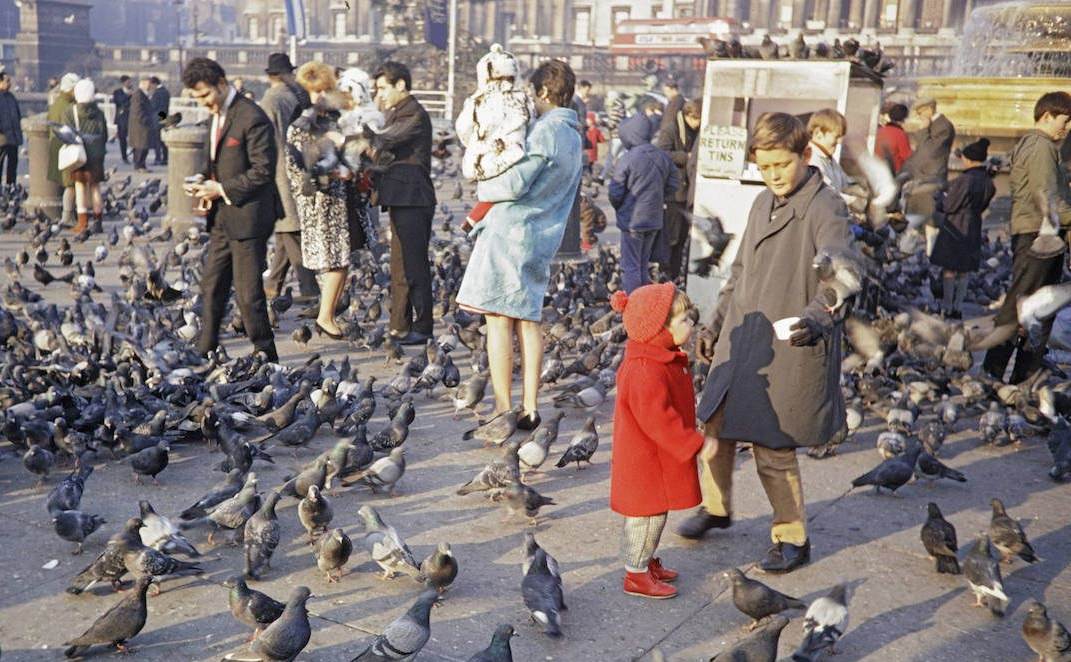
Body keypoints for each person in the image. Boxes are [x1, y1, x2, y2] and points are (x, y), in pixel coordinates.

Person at [678, 112, 852, 574]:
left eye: (781, 164)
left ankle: (793, 536)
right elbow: (738, 273)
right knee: (713, 424)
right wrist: (714, 325)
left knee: (773, 448)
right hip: (743, 333)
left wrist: (819, 316)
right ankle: (717, 507)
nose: (773, 175)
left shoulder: (825, 207)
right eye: (765, 166)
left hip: (789, 340)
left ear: (805, 154)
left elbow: (842, 274)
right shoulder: (761, 203)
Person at [455, 59, 583, 431]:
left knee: (497, 321)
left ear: (543, 92)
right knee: (529, 320)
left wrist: (482, 183)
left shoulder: (546, 132)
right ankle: (530, 406)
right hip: (545, 235)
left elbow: (514, 185)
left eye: (533, 92)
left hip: (513, 232)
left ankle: (502, 407)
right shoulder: (574, 135)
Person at [609, 282, 707, 600]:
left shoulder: (656, 360)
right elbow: (659, 420)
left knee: (654, 514)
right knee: (646, 518)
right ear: (659, 330)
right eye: (684, 321)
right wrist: (692, 442)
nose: (691, 325)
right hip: (646, 461)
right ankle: (636, 574)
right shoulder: (645, 370)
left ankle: (646, 561)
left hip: (652, 459)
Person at [184, 57, 280, 362]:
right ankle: (205, 349)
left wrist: (221, 189)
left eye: (205, 95)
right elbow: (213, 160)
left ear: (222, 84)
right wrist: (201, 179)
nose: (203, 103)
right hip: (223, 215)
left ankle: (267, 356)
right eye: (196, 98)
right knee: (211, 285)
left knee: (248, 293)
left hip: (251, 216)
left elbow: (264, 170)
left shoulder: (252, 117)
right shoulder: (218, 114)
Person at [982, 92, 1071, 384]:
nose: (1067, 128)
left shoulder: (1034, 145)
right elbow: (1048, 197)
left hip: (1035, 234)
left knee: (1031, 308)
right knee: (1028, 309)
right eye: (1065, 120)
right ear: (1046, 116)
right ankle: (1000, 376)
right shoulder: (1042, 147)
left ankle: (1014, 377)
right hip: (1039, 237)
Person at [370, 61, 436, 345]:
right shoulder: (397, 112)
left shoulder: (414, 114)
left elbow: (384, 141)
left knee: (414, 264)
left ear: (401, 85)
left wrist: (364, 121)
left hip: (414, 197)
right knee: (399, 265)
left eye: (383, 88)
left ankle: (422, 326)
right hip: (401, 197)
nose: (380, 94)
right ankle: (400, 325)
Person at [284, 62, 352, 339]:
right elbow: (301, 168)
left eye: (325, 90)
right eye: (316, 91)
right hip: (318, 201)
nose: (321, 96)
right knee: (336, 260)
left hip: (333, 199)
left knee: (335, 261)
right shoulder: (302, 124)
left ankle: (327, 312)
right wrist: (333, 152)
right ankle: (325, 316)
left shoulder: (330, 118)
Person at [455, 43, 534, 232]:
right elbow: (532, 128)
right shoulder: (522, 99)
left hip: (482, 162)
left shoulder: (476, 100)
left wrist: (477, 144)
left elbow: (463, 129)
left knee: (491, 198)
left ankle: (476, 219)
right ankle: (477, 218)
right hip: (515, 160)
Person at [260, 53, 318, 304]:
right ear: (283, 74)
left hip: (280, 168)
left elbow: (267, 140)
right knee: (287, 230)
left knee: (290, 229)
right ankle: (274, 285)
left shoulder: (270, 99)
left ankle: (309, 287)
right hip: (295, 165)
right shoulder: (292, 96)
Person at [609, 111, 678, 293]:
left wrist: (621, 207)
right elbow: (674, 184)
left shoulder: (628, 158)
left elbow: (615, 191)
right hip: (654, 219)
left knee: (630, 266)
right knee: (642, 264)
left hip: (633, 220)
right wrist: (657, 198)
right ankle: (644, 303)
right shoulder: (662, 156)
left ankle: (634, 307)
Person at [930, 138, 996, 319]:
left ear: (969, 159)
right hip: (974, 224)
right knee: (964, 270)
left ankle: (947, 307)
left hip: (956, 225)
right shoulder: (988, 182)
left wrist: (940, 199)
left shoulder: (964, 180)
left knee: (950, 269)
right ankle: (958, 307)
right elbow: (983, 206)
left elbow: (950, 206)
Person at [654, 99, 701, 282]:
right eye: (697, 119)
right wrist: (686, 157)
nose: (699, 124)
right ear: (689, 116)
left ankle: (673, 275)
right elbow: (661, 153)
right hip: (673, 193)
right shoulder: (671, 130)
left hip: (686, 192)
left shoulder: (695, 131)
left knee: (681, 238)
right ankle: (667, 274)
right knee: (671, 238)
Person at [902, 98, 955, 254]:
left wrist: (924, 129)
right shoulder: (935, 125)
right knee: (915, 218)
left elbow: (929, 151)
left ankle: (931, 253)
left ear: (929, 109)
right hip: (922, 180)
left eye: (920, 113)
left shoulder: (944, 126)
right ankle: (910, 250)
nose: (919, 117)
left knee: (930, 221)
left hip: (932, 180)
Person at [64, 79, 107, 235]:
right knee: (96, 187)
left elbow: (66, 134)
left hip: (79, 155)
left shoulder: (71, 111)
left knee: (80, 187)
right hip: (97, 155)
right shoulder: (100, 113)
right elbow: (105, 135)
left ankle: (82, 223)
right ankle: (98, 221)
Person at [807, 108, 862, 209]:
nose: (840, 142)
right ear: (818, 134)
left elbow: (845, 184)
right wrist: (855, 201)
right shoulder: (812, 160)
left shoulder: (828, 159)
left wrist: (862, 188)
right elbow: (827, 194)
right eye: (837, 137)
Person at [47, 73, 79, 225]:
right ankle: (68, 216)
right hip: (66, 149)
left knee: (65, 183)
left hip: (57, 146)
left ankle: (66, 214)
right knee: (70, 184)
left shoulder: (58, 103)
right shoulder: (68, 107)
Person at [874, 102, 911, 175]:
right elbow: (907, 156)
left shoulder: (879, 131)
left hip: (877, 170)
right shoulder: (900, 134)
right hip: (894, 172)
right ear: (904, 119)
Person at [0, 72, 22, 187]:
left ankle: (11, 186)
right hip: (2, 138)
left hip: (13, 138)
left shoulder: (12, 97)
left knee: (13, 164)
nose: (9, 83)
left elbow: (17, 116)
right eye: (7, 80)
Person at [128, 77, 154, 172]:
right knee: (140, 147)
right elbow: (138, 111)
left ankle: (142, 165)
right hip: (140, 127)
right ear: (142, 83)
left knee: (143, 147)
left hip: (142, 126)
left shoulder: (143, 94)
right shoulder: (138, 95)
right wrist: (146, 120)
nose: (150, 85)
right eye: (148, 83)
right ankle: (139, 166)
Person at [150, 76, 170, 165]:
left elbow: (154, 106)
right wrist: (162, 118)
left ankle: (158, 158)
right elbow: (164, 108)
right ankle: (165, 158)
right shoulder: (166, 92)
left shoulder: (156, 93)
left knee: (157, 140)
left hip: (156, 118)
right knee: (163, 140)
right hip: (164, 117)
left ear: (154, 83)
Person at [584, 111, 605, 176]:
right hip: (587, 151)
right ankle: (588, 175)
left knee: (590, 165)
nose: (586, 122)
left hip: (592, 151)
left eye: (588, 120)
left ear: (592, 121)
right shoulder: (585, 130)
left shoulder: (596, 130)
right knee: (587, 165)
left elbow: (601, 140)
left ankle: (590, 176)